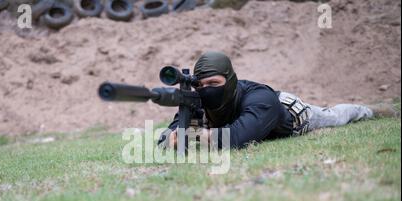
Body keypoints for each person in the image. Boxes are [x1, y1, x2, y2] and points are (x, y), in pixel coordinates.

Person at [158, 51, 397, 149]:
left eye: (214, 84)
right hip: (247, 117)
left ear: (229, 81)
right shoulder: (195, 99)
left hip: (289, 114)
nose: (206, 90)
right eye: (201, 85)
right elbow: (165, 136)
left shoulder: (260, 98)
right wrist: (172, 136)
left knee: (334, 116)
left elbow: (240, 137)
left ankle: (368, 110)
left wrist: (196, 137)